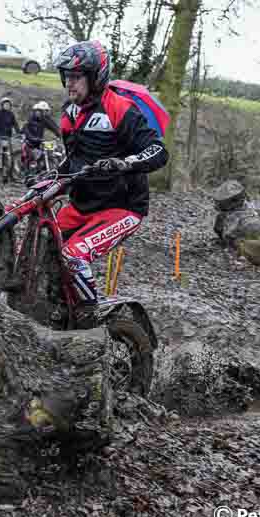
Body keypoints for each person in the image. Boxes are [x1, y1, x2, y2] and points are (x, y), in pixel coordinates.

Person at [52, 40, 168, 317]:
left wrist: (124, 163)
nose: (71, 84)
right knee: (40, 241)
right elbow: (74, 160)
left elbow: (159, 151)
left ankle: (89, 318)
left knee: (73, 255)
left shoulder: (120, 108)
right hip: (83, 205)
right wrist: (52, 176)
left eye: (77, 77)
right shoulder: (70, 114)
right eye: (67, 77)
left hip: (122, 207)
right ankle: (55, 303)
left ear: (95, 77)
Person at [20, 101, 60, 174]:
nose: (41, 113)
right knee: (30, 157)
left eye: (43, 111)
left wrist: (59, 134)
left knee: (47, 153)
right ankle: (25, 173)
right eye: (39, 111)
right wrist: (34, 138)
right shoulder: (29, 120)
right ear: (35, 111)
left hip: (39, 142)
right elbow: (26, 132)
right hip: (29, 142)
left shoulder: (43, 119)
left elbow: (53, 127)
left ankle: (46, 170)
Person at [0, 97, 20, 174]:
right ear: (2, 105)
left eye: (8, 104)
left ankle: (11, 170)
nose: (7, 106)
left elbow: (15, 124)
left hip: (7, 137)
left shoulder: (11, 114)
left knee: (9, 154)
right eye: (5, 104)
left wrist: (19, 132)